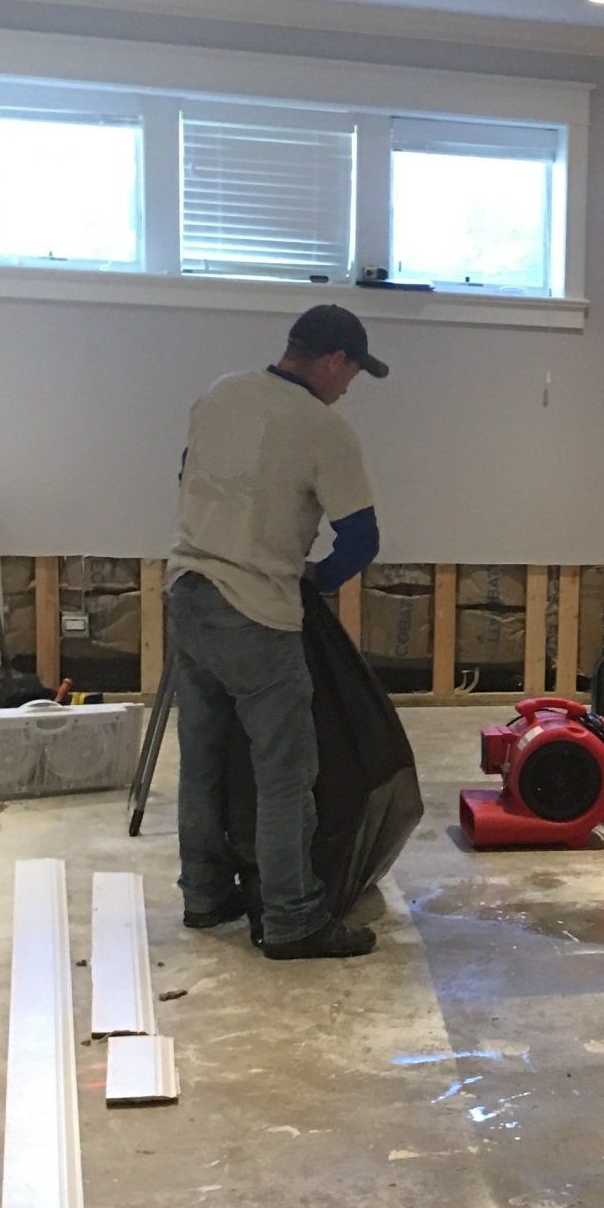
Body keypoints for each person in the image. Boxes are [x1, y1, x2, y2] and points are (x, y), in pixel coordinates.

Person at [168, 303, 387, 962]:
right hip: (257, 612)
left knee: (203, 760)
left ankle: (205, 895)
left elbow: (189, 479)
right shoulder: (324, 428)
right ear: (333, 361)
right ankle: (292, 917)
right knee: (285, 773)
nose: (348, 388)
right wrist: (317, 578)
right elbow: (361, 537)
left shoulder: (217, 395)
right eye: (351, 374)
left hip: (187, 594)